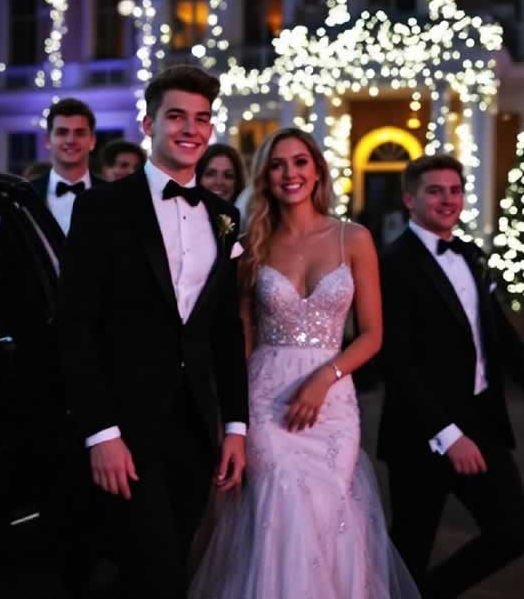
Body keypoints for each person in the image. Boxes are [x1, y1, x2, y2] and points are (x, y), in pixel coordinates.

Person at [190, 127, 420, 599]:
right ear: (266, 176)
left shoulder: (352, 238)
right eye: (277, 165)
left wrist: (324, 377)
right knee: (281, 499)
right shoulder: (252, 242)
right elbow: (243, 336)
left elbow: (373, 335)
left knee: (331, 517)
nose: (289, 173)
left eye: (299, 162)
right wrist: (231, 418)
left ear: (317, 170)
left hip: (333, 403)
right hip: (264, 399)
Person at [56, 65, 249, 599]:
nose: (191, 129)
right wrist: (101, 432)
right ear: (148, 123)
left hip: (194, 430)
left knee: (171, 566)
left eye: (202, 119)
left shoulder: (223, 216)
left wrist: (235, 425)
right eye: (177, 117)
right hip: (126, 431)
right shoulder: (101, 208)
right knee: (155, 572)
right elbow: (74, 327)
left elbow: (225, 332)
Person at [378, 154, 524, 599]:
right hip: (421, 434)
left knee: (511, 533)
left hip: (483, 422)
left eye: (455, 190)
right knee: (410, 549)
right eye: (435, 190)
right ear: (410, 198)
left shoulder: (470, 254)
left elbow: (499, 333)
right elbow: (396, 361)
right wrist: (447, 434)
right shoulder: (392, 263)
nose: (448, 200)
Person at [30, 98, 105, 234]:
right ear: (48, 140)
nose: (71, 140)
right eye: (62, 132)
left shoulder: (113, 197)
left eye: (79, 133)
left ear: (92, 140)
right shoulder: (28, 195)